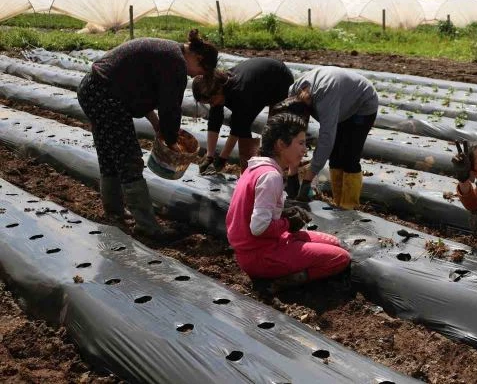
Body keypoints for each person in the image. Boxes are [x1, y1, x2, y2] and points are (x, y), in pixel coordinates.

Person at [77, 29, 218, 240]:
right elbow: (170, 108)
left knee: (109, 153)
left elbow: (135, 86)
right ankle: (147, 226)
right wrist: (171, 141)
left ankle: (114, 212)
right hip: (106, 96)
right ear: (198, 57)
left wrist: (155, 124)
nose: (193, 76)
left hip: (93, 89)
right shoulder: (175, 63)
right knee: (129, 159)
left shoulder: (168, 51)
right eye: (199, 71)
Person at [226, 113, 350, 290]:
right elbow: (258, 228)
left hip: (260, 247)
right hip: (261, 255)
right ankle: (284, 282)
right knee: (340, 258)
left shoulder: (256, 168)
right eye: (300, 143)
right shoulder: (270, 177)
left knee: (335, 242)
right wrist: (286, 223)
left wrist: (284, 215)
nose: (305, 150)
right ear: (281, 144)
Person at [275, 66, 378, 209]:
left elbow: (326, 138)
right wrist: (292, 172)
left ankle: (349, 207)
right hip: (341, 101)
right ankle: (338, 203)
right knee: (335, 157)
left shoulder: (325, 99)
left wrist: (307, 180)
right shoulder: (294, 92)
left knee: (349, 156)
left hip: (362, 104)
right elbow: (296, 134)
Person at [191, 57, 294, 174]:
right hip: (258, 81)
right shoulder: (217, 86)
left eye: (212, 100)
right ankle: (251, 170)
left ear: (219, 89)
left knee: (273, 131)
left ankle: (272, 171)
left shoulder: (241, 93)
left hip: (279, 80)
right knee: (239, 125)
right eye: (209, 103)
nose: (212, 104)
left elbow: (238, 128)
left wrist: (222, 159)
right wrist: (209, 156)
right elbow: (214, 122)